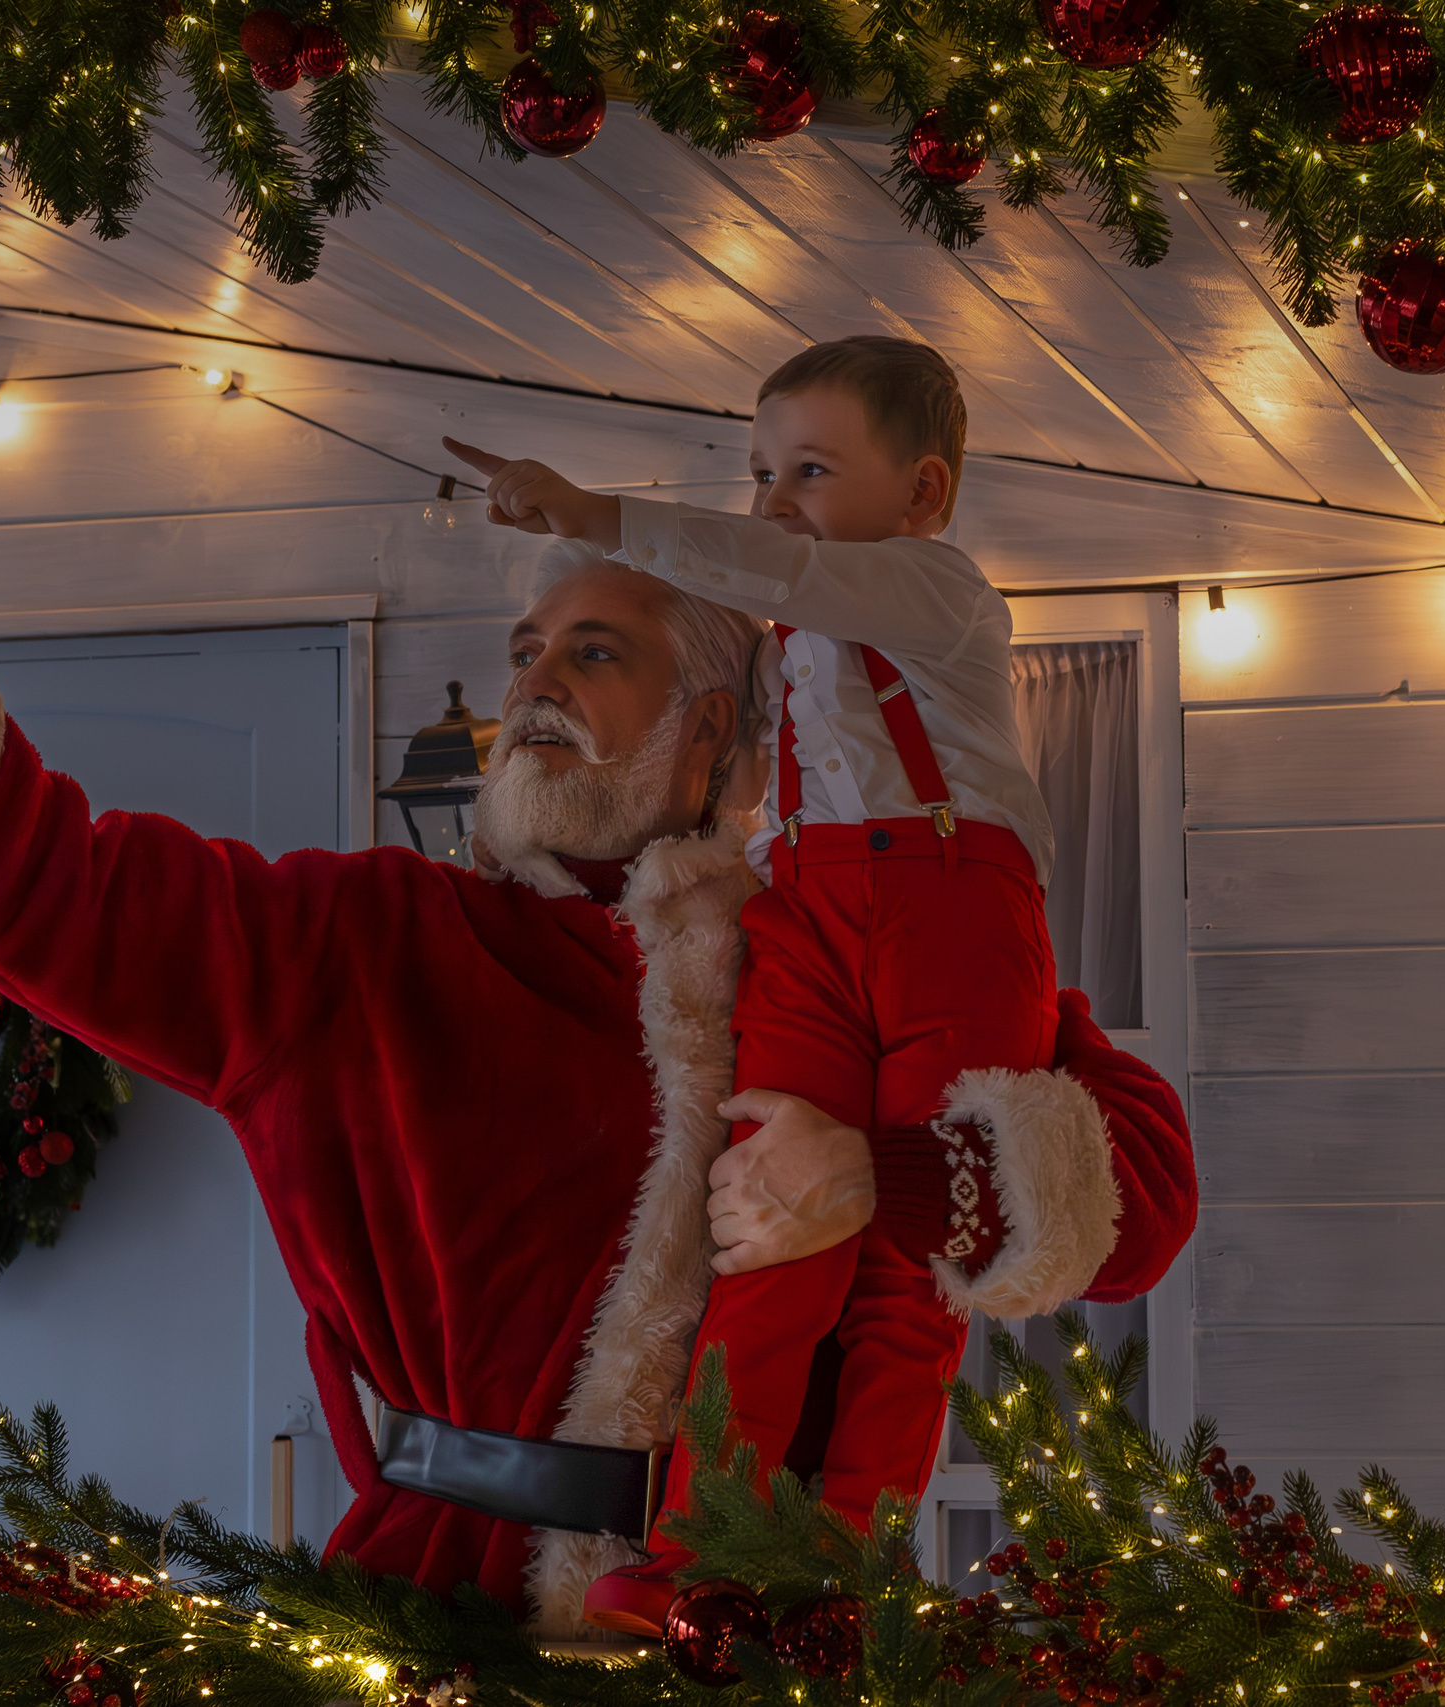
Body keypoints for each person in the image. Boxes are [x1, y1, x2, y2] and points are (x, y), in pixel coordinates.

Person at [0, 448, 1195, 1638]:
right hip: (430, 1613)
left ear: (723, 742)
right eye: (529, 647)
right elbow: (67, 893)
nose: (533, 682)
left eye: (597, 654)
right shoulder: (367, 943)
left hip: (770, 1632)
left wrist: (882, 1177)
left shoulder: (857, 947)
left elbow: (1139, 1206)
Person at [445, 336, 1071, 1636]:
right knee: (761, 1231)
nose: (775, 498)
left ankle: (846, 1572)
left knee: (909, 1267)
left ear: (923, 494)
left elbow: (780, 569)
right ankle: (698, 1554)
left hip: (953, 910)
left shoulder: (938, 594)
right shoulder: (786, 656)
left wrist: (599, 515)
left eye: (811, 469)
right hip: (814, 915)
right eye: (760, 470)